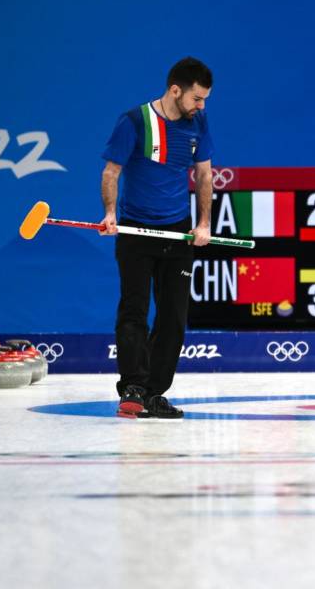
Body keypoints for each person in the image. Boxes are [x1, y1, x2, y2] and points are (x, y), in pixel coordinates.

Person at [99, 57, 215, 419]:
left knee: (173, 318)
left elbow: (205, 175)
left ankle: (153, 393)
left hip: (178, 231)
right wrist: (110, 214)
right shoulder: (134, 121)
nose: (201, 106)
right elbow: (111, 172)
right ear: (175, 90)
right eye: (197, 98)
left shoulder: (198, 123)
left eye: (205, 99)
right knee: (134, 311)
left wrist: (203, 224)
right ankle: (132, 388)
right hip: (135, 230)